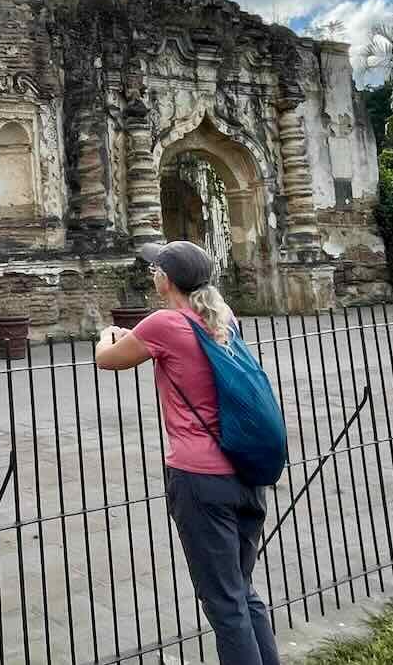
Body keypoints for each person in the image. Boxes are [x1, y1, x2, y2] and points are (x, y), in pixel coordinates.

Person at [94, 240, 279, 665]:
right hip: (246, 470)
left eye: (154, 269)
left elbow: (108, 359)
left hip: (201, 481)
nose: (151, 274)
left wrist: (107, 336)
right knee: (243, 592)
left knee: (224, 603)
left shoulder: (163, 324)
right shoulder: (225, 317)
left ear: (165, 280)